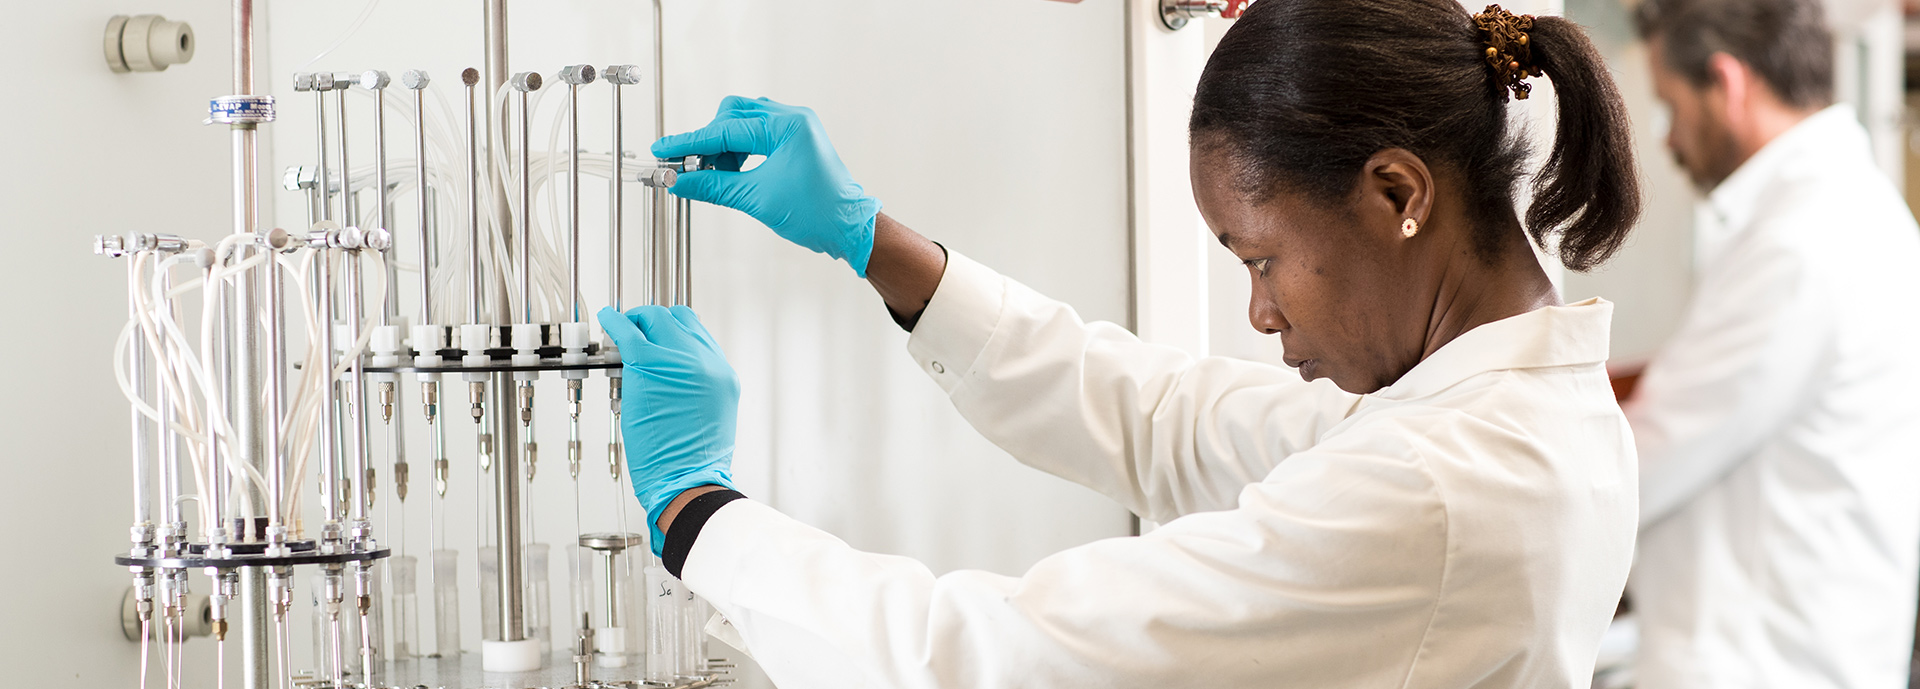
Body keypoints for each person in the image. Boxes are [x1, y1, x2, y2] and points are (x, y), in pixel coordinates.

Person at [601, 2, 1643, 686]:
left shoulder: (1441, 485)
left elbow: (1004, 660)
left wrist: (698, 511)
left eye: (1259, 257)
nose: (1259, 313)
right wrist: (877, 245)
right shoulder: (1505, 409)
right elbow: (1164, 418)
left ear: (1397, 192)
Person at [1625, 1, 1920, 687]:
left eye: (1670, 107)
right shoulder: (1848, 210)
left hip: (1763, 665)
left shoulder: (1803, 240)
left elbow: (1634, 466)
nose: (1668, 143)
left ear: (1727, 82)